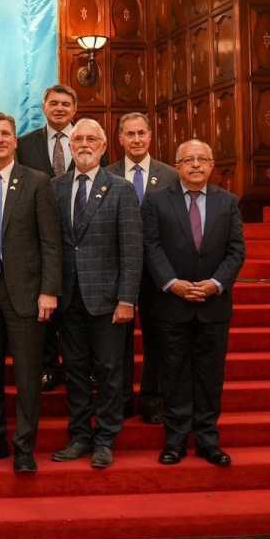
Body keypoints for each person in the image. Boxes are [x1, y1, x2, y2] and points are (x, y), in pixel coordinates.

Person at [0, 112, 61, 474]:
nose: (0, 139)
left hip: (26, 293)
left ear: (15, 141)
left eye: (6, 134)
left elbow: (51, 241)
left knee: (26, 374)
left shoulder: (37, 182)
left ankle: (23, 447)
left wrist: (49, 290)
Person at [142, 139, 245, 468]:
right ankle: (174, 442)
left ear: (212, 165)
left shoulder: (228, 202)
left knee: (210, 377)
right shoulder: (156, 201)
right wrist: (173, 284)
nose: (196, 165)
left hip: (213, 306)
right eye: (189, 160)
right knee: (173, 375)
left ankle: (207, 441)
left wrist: (215, 284)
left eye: (203, 159)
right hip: (172, 305)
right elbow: (151, 246)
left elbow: (236, 251)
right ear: (177, 166)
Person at [50, 118, 142, 470]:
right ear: (70, 146)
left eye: (92, 139)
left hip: (108, 301)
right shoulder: (56, 188)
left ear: (105, 146)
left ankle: (105, 438)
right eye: (78, 139)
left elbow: (132, 250)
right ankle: (79, 436)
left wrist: (126, 299)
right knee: (73, 370)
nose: (84, 144)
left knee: (108, 371)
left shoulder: (120, 189)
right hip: (69, 298)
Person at [16, 83, 98, 393]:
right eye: (54, 103)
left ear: (74, 109)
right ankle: (48, 366)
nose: (60, 108)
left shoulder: (89, 139)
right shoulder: (25, 144)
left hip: (83, 234)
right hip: (38, 237)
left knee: (81, 304)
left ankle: (85, 366)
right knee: (46, 304)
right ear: (44, 106)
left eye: (66, 104)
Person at [108, 112, 179, 424]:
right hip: (116, 270)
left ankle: (153, 399)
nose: (136, 139)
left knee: (157, 337)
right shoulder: (107, 174)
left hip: (156, 272)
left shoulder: (170, 176)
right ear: (120, 139)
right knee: (116, 341)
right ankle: (120, 400)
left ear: (150, 137)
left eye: (141, 133)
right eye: (130, 134)